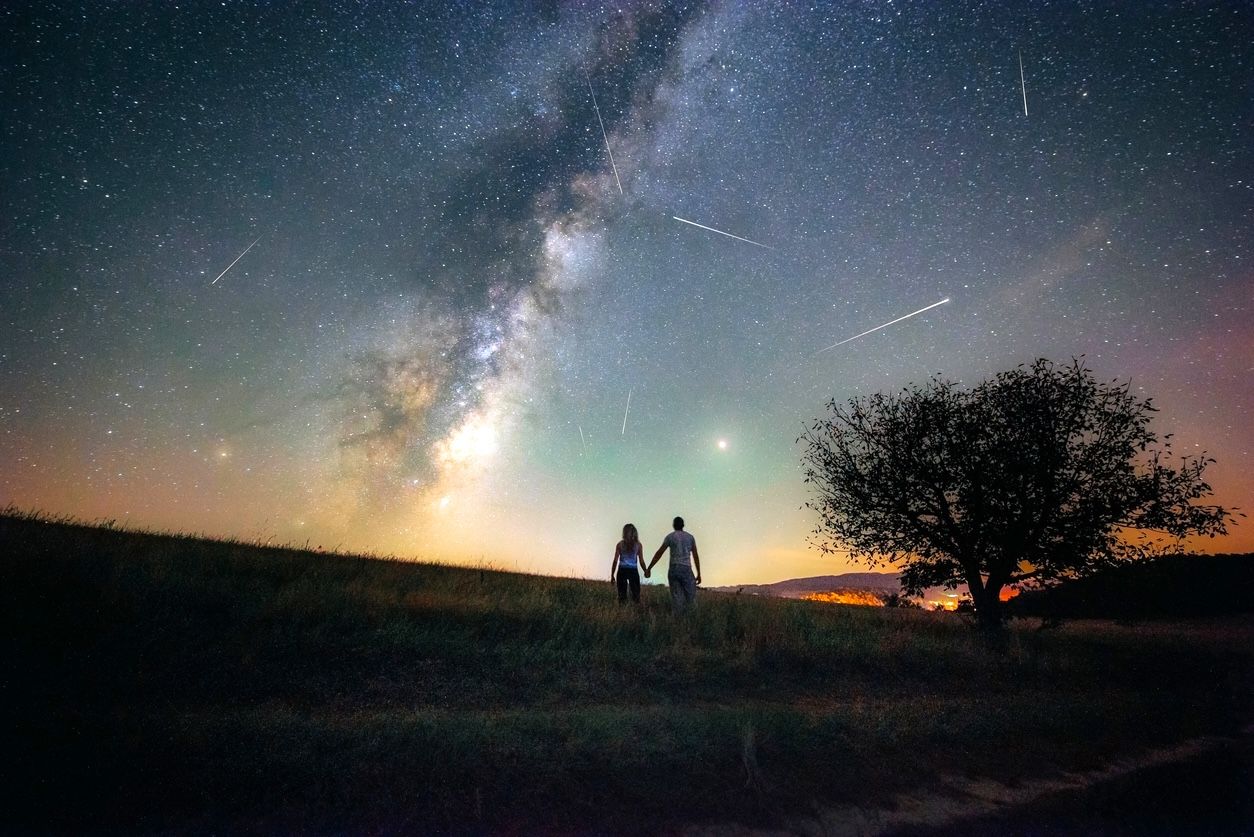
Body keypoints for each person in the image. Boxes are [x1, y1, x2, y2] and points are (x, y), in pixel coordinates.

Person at [645, 516, 701, 614]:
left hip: (674, 568)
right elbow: (695, 555)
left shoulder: (670, 537)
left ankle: (677, 619)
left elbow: (659, 553)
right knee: (690, 597)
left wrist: (649, 568)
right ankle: (690, 618)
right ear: (683, 525)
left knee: (676, 598)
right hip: (686, 568)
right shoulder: (690, 537)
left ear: (674, 525)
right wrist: (699, 573)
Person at [610, 522, 643, 604]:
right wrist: (646, 570)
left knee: (622, 596)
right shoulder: (638, 545)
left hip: (622, 570)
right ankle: (635, 610)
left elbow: (615, 560)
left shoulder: (619, 544)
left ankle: (623, 610)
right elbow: (641, 560)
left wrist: (612, 574)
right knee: (636, 595)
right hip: (633, 570)